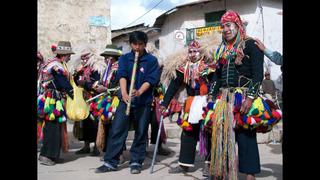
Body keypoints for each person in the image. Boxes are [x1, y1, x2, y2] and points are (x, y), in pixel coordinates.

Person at [209, 10, 264, 180]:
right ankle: (222, 171)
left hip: (244, 96)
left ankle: (249, 173)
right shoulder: (221, 50)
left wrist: (250, 98)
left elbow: (258, 74)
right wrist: (212, 96)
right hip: (224, 98)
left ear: (238, 25)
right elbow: (217, 76)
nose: (225, 29)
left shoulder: (251, 45)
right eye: (223, 26)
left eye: (228, 25)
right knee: (222, 135)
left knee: (245, 135)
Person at [95, 31, 160, 174]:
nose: (137, 47)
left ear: (145, 44)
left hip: (143, 101)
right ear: (131, 44)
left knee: (141, 131)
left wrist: (140, 91)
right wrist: (124, 93)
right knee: (117, 129)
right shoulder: (124, 59)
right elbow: (122, 76)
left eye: (140, 44)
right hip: (125, 100)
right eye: (135, 44)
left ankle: (136, 161)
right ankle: (111, 162)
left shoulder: (151, 61)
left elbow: (151, 79)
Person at [159, 40, 215, 176]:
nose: (192, 54)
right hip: (191, 103)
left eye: (195, 51)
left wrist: (212, 96)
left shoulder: (209, 66)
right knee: (188, 132)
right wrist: (164, 103)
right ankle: (184, 163)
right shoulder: (183, 68)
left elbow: (214, 82)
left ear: (200, 52)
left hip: (207, 102)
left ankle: (209, 164)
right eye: (190, 51)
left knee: (207, 133)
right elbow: (174, 85)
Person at [38, 41, 75, 166]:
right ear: (64, 55)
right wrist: (73, 94)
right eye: (69, 55)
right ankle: (46, 155)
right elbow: (62, 81)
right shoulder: (56, 66)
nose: (70, 57)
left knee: (56, 126)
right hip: (52, 100)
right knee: (52, 127)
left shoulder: (55, 64)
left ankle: (53, 155)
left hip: (54, 98)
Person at [72, 47, 108, 156]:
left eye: (85, 57)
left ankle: (96, 147)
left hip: (95, 99)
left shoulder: (96, 68)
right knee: (84, 123)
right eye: (82, 57)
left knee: (94, 123)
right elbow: (77, 82)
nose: (83, 59)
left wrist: (85, 84)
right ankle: (86, 146)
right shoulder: (82, 68)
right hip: (84, 99)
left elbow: (96, 84)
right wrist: (76, 76)